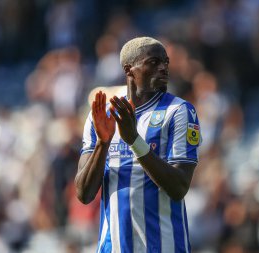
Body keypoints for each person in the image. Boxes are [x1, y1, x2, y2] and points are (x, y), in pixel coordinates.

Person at [75, 37, 201, 253]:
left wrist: (134, 140)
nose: (163, 68)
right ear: (129, 70)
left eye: (166, 62)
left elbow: (179, 187)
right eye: (154, 62)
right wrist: (103, 144)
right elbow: (84, 194)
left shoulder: (179, 111)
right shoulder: (101, 115)